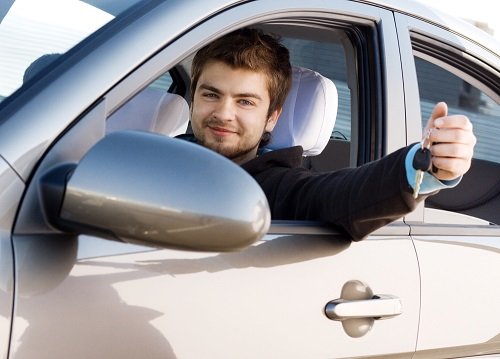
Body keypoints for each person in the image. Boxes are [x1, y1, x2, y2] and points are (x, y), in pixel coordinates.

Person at [183, 28, 476, 240]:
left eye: (245, 101)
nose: (223, 113)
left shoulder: (280, 188)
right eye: (211, 94)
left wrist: (425, 164)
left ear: (272, 117)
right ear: (193, 98)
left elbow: (342, 196)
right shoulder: (156, 155)